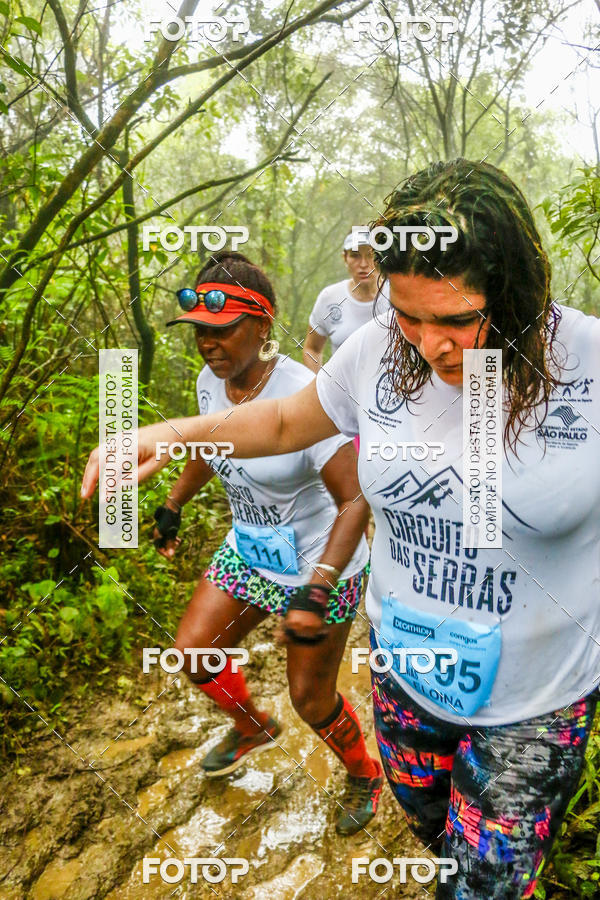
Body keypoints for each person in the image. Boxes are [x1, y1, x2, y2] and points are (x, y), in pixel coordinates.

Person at [82, 160, 600, 898]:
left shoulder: (587, 361)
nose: (430, 345)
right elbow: (289, 420)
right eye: (408, 314)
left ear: (518, 291)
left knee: (482, 886)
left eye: (456, 319)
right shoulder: (380, 350)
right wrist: (171, 432)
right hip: (408, 680)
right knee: (433, 835)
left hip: (533, 704)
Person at [149, 251, 382, 836]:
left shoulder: (307, 393)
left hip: (318, 563)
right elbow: (211, 446)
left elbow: (356, 501)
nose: (208, 344)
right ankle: (253, 726)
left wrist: (319, 586)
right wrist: (174, 504)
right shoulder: (212, 382)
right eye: (200, 332)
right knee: (194, 651)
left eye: (222, 330)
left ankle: (364, 774)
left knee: (311, 697)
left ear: (262, 325)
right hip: (251, 550)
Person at [302, 228, 383, 374]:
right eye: (355, 255)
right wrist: (318, 388)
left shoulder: (399, 295)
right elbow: (312, 348)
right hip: (343, 394)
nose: (364, 264)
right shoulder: (329, 298)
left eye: (371, 255)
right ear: (345, 258)